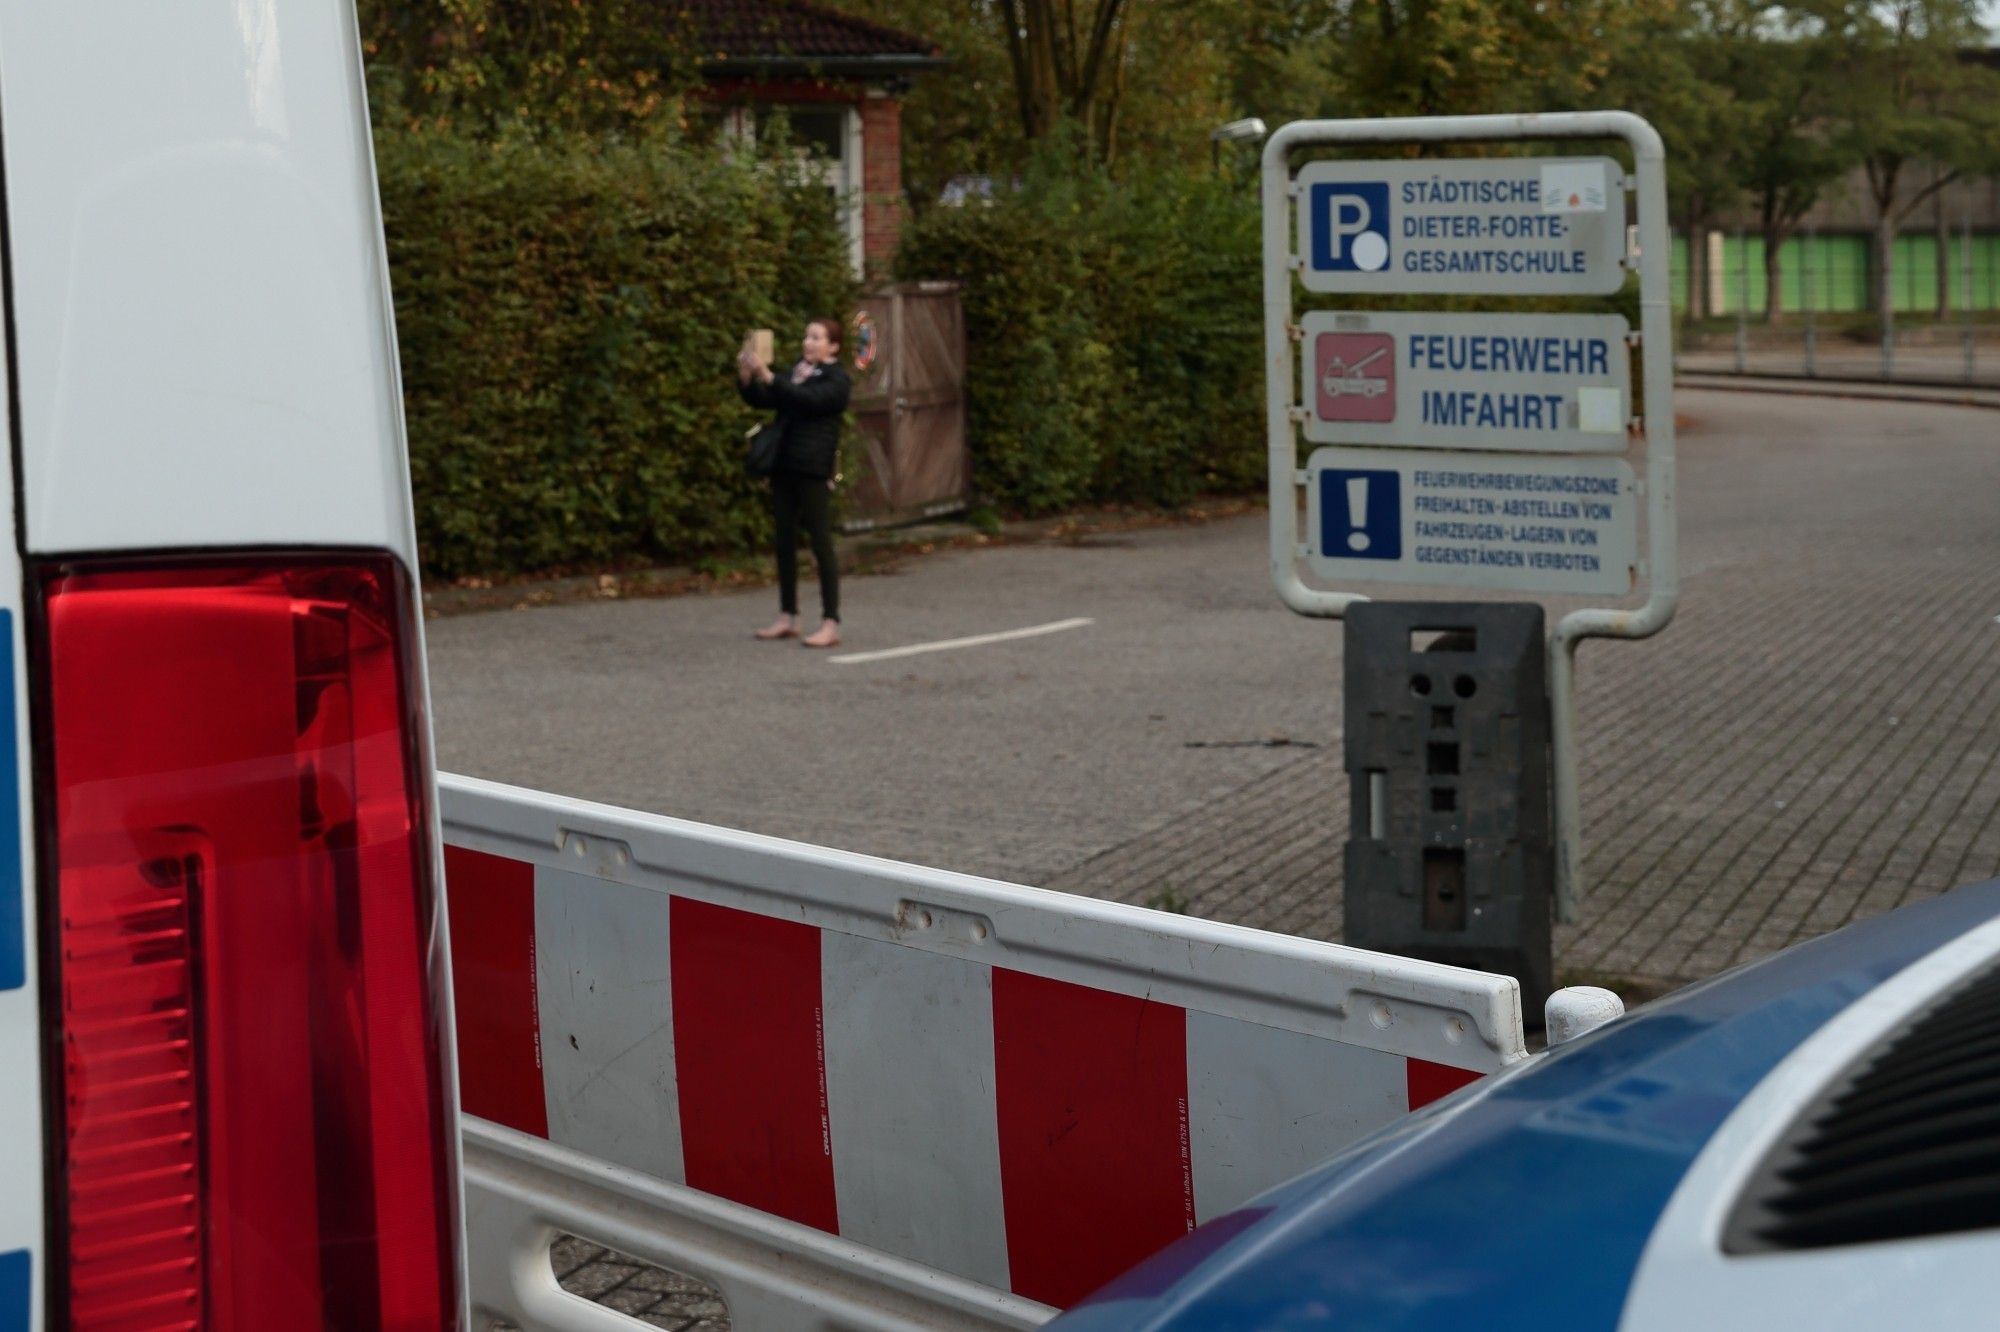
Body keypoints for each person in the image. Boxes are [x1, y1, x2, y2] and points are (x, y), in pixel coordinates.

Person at [738, 317, 851, 648]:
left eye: (816, 338)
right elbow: (767, 398)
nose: (808, 342)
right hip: (785, 465)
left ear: (833, 346)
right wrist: (747, 378)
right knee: (784, 540)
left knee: (820, 542)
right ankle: (788, 615)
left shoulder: (836, 380)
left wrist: (769, 376)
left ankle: (831, 622)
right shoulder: (797, 372)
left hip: (813, 468)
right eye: (806, 336)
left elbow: (807, 400)